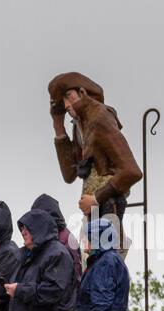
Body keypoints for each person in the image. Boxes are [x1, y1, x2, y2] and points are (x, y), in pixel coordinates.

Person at [48, 73, 142, 226]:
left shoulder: (99, 117)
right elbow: (69, 174)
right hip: (94, 211)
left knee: (106, 247)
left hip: (106, 206)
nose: (66, 105)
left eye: (69, 96)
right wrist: (58, 125)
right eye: (62, 101)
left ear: (83, 92)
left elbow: (132, 171)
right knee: (92, 247)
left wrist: (96, 199)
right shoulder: (81, 123)